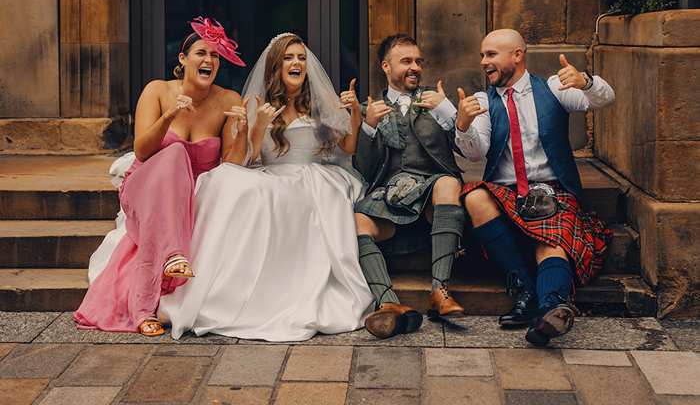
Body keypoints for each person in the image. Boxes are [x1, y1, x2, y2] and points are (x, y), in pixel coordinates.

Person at [157, 33, 374, 342]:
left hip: (313, 177)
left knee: (271, 195)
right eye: (288, 58)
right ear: (276, 66)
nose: (296, 63)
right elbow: (246, 159)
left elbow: (349, 147)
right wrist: (255, 126)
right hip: (270, 174)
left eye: (301, 57)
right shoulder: (260, 103)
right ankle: (209, 291)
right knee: (225, 181)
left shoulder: (320, 97)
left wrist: (353, 112)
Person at [73, 17, 248, 336]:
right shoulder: (157, 90)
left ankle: (146, 305)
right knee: (176, 152)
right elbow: (141, 151)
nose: (209, 60)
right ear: (182, 60)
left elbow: (231, 165)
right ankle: (173, 255)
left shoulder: (229, 101)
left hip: (194, 191)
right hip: (147, 183)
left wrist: (244, 132)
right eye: (201, 53)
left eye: (215, 55)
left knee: (182, 161)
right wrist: (170, 115)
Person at [456, 28, 615, 346]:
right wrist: (463, 125)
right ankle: (526, 287)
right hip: (506, 190)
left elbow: (604, 99)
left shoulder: (555, 88)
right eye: (482, 55)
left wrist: (585, 82)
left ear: (517, 55)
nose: (484, 62)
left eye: (491, 54)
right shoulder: (482, 101)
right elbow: (476, 152)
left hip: (551, 188)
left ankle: (551, 307)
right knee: (473, 196)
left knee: (549, 240)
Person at [352, 34, 467, 339]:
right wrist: (368, 127)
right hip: (390, 193)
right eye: (406, 61)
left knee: (447, 182)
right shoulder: (370, 109)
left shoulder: (436, 101)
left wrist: (448, 111)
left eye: (418, 61)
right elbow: (364, 170)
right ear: (386, 67)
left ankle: (439, 291)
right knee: (358, 218)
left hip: (430, 191)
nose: (415, 67)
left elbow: (467, 148)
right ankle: (388, 302)